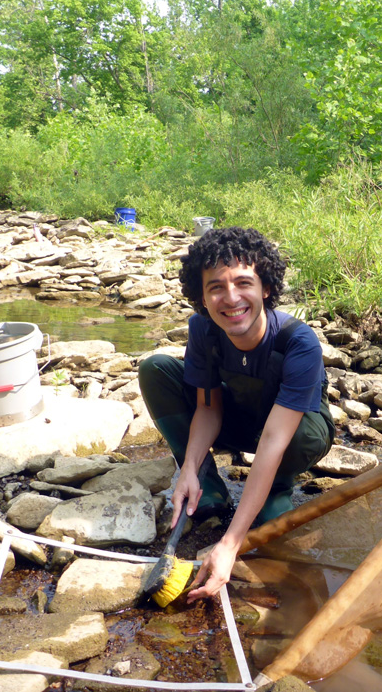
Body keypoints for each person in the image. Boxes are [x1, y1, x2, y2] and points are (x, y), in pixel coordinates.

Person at [139, 226, 335, 602]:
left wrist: (230, 543)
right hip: (242, 417)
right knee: (156, 369)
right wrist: (189, 470)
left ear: (265, 288)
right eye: (215, 287)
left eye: (243, 283)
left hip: (294, 432)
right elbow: (208, 408)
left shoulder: (298, 342)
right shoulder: (204, 330)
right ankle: (205, 490)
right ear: (202, 296)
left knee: (291, 439)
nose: (230, 299)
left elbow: (276, 439)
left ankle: (277, 488)